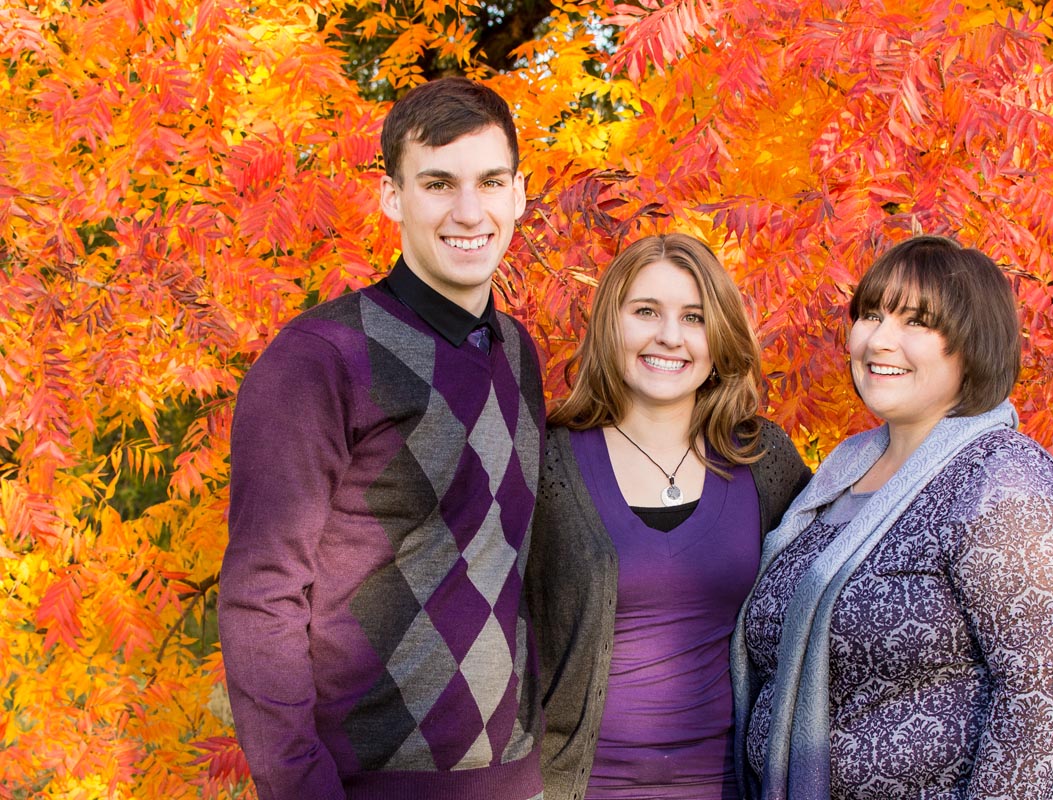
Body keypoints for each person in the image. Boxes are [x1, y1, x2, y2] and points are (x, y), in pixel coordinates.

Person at [218, 77, 545, 800]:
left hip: (517, 781)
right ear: (392, 196)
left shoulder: (518, 352)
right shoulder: (320, 360)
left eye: (490, 181)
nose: (469, 211)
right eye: (438, 183)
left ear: (519, 193)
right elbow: (260, 596)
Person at [731, 235, 1053, 799]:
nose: (879, 339)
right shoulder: (839, 476)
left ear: (972, 345)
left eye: (917, 322)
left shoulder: (1004, 481)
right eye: (870, 314)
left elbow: (1041, 695)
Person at [526, 233, 812, 800]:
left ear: (719, 335)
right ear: (612, 323)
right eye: (646, 312)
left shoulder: (764, 460)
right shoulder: (544, 459)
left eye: (695, 317)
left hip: (730, 786)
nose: (670, 337)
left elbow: (827, 610)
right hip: (574, 786)